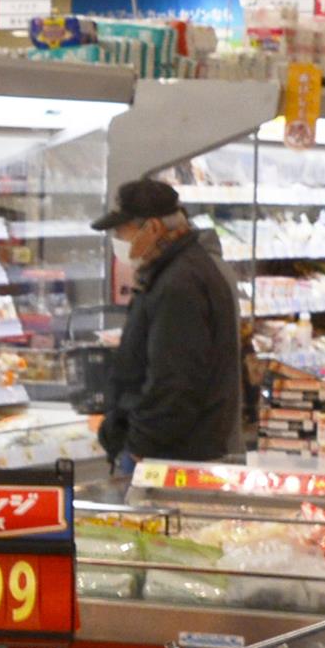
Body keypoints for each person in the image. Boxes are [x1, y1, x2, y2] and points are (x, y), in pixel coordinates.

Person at [93, 175, 243, 475]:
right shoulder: (176, 271)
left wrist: (139, 446)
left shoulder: (179, 284)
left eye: (123, 231)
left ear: (153, 228)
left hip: (174, 456)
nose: (118, 240)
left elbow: (176, 382)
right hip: (176, 449)